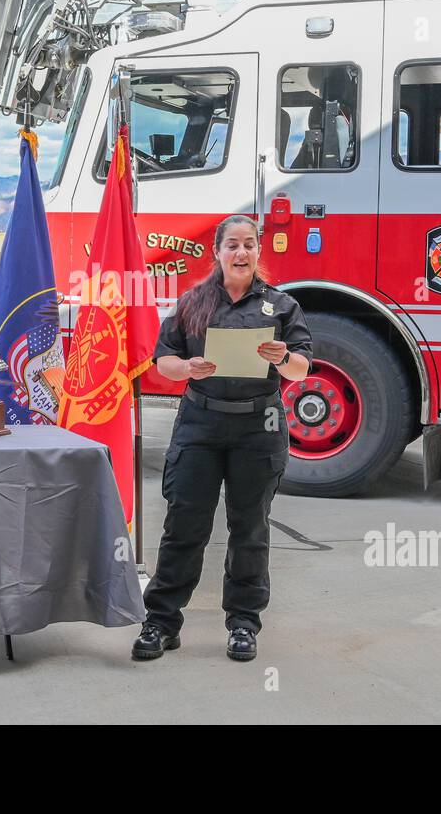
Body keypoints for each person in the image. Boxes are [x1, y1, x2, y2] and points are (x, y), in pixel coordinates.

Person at [133, 215, 312, 662]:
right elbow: (163, 361)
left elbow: (301, 369)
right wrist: (187, 368)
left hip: (259, 427)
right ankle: (161, 623)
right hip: (201, 424)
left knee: (249, 528)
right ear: (217, 251)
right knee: (184, 526)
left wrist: (283, 355)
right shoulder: (193, 302)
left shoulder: (281, 306)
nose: (241, 253)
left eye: (249, 245)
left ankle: (243, 625)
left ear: (258, 252)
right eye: (232, 245)